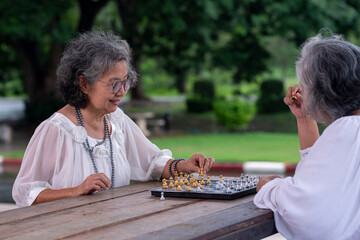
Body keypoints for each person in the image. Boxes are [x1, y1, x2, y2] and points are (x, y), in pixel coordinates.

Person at [12, 31, 214, 207]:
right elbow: (25, 193)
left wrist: (183, 166)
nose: (122, 92)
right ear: (83, 83)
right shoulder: (56, 129)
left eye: (126, 82)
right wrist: (76, 190)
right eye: (114, 84)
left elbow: (151, 162)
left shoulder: (116, 120)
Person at [254, 33, 360, 240]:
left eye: (306, 84)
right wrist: (304, 118)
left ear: (323, 89)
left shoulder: (348, 128)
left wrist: (268, 187)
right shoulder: (351, 129)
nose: (301, 90)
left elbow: (310, 209)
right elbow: (325, 176)